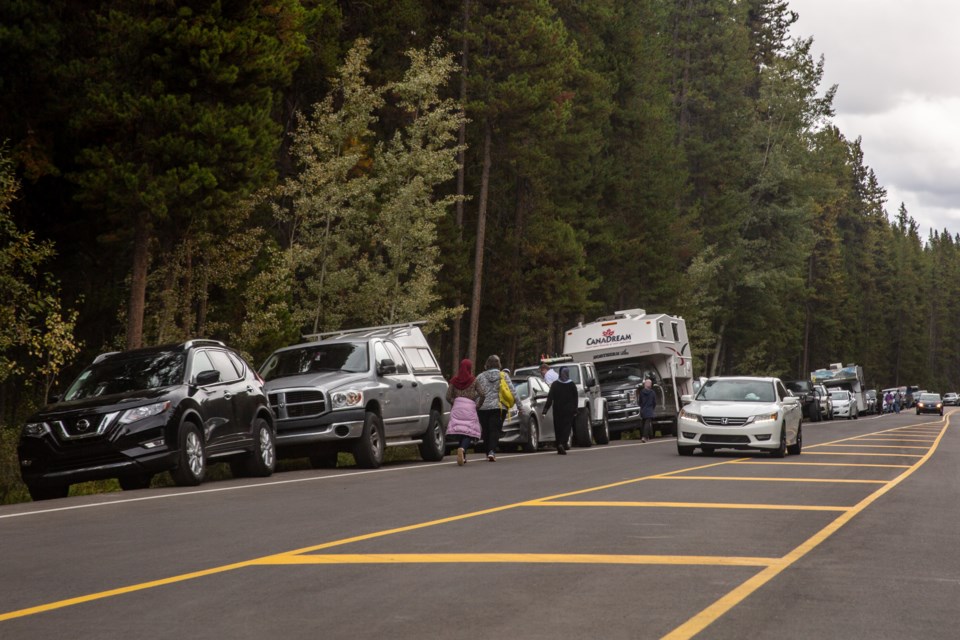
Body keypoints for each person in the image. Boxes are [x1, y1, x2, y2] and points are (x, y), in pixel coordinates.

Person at [476, 355, 519, 461]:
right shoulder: (503, 375)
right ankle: (492, 451)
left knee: (485, 430)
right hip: (499, 407)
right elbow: (512, 391)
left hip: (483, 407)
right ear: (499, 364)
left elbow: (475, 392)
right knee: (495, 430)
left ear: (487, 364)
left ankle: (487, 451)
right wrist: (520, 406)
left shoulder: (480, 376)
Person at [445, 359, 485, 466]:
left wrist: (454, 402)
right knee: (468, 431)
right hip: (470, 408)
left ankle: (463, 456)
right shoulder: (474, 380)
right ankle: (462, 449)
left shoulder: (454, 381)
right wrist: (478, 405)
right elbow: (482, 394)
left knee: (460, 431)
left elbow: (448, 396)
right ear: (469, 368)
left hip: (457, 407)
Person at [543, 366, 578, 454]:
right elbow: (575, 398)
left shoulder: (555, 384)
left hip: (557, 410)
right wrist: (575, 409)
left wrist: (545, 410)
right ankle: (562, 443)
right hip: (568, 411)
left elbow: (550, 398)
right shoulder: (572, 384)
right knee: (567, 427)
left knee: (558, 427)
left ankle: (559, 444)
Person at [638, 377, 657, 442]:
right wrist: (652, 408)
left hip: (643, 409)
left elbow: (639, 401)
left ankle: (646, 436)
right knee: (647, 424)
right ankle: (644, 437)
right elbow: (654, 402)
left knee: (643, 423)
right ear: (650, 385)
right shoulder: (652, 393)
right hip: (649, 409)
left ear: (645, 384)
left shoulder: (641, 392)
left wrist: (641, 406)